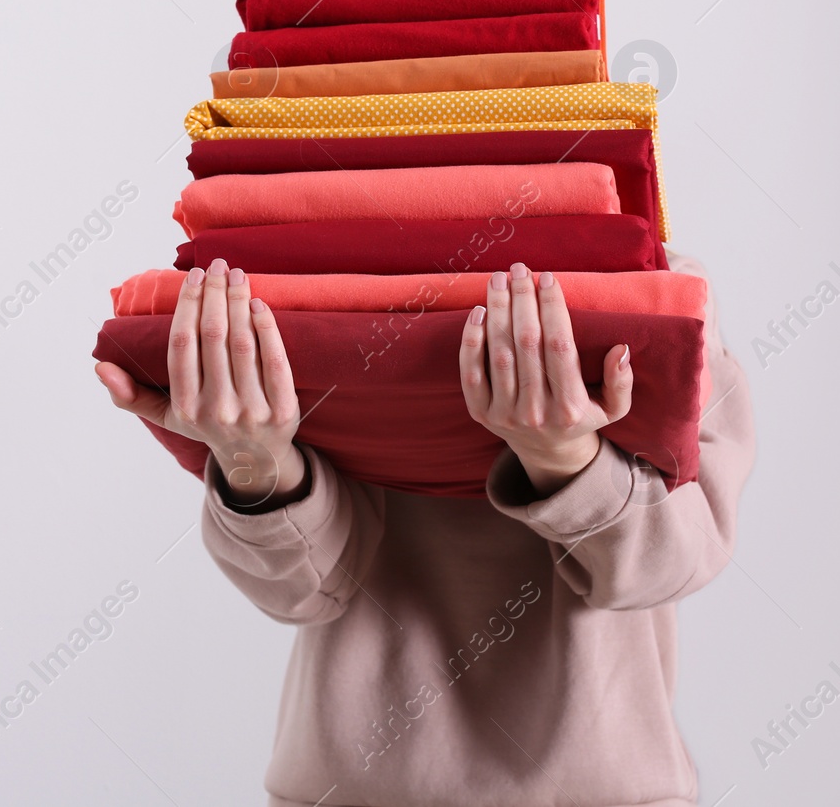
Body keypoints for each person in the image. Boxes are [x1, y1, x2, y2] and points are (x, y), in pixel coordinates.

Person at [94, 253, 755, 807]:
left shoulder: (658, 292)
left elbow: (674, 559)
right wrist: (254, 463)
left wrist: (567, 462)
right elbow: (299, 589)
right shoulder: (305, 285)